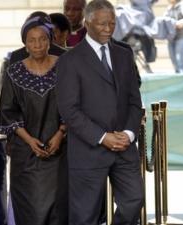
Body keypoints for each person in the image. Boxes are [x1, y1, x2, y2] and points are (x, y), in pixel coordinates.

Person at [56, 1, 144, 225]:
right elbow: (69, 110)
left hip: (124, 148)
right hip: (88, 151)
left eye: (112, 23)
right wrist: (103, 137)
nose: (108, 28)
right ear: (87, 23)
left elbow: (135, 101)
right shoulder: (69, 60)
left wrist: (129, 134)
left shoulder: (124, 55)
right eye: (102, 24)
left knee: (134, 200)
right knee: (85, 216)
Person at [0, 15, 67, 225]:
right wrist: (30, 141)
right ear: (25, 43)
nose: (37, 44)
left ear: (50, 40)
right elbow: (8, 111)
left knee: (58, 209)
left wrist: (60, 134)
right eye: (32, 40)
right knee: (29, 210)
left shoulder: (65, 67)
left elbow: (74, 106)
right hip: (25, 154)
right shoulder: (14, 72)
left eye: (42, 39)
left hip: (60, 152)